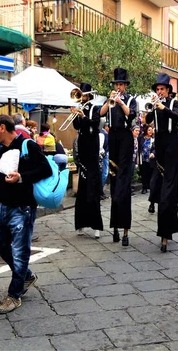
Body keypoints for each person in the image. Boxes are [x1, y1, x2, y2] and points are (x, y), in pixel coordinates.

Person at [0, 115, 52, 314]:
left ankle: (14, 295)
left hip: (22, 208)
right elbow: (0, 177)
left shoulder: (28, 145)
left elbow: (46, 169)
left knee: (20, 252)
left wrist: (22, 178)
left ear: (1, 127)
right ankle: (27, 275)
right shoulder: (2, 149)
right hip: (3, 206)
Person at [146, 73, 178, 252]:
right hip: (159, 146)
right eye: (157, 89)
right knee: (157, 186)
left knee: (168, 193)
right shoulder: (155, 104)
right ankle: (154, 203)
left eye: (162, 89)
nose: (159, 91)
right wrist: (151, 109)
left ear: (168, 90)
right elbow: (147, 121)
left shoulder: (173, 104)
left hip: (170, 146)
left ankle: (166, 231)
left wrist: (163, 107)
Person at [99, 68, 137, 246]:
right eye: (117, 85)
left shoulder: (130, 99)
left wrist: (121, 102)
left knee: (124, 183)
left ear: (126, 86)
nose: (119, 87)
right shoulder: (111, 99)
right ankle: (115, 227)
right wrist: (110, 99)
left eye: (121, 84)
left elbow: (131, 114)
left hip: (126, 137)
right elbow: (101, 113)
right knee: (114, 182)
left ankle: (125, 230)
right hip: (113, 137)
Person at [72, 83, 103, 239]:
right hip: (83, 145)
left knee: (92, 187)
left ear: (89, 95)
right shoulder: (79, 108)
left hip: (92, 147)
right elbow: (76, 126)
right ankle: (80, 224)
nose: (82, 97)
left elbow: (95, 124)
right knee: (82, 188)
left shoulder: (95, 109)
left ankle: (96, 225)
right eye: (80, 95)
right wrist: (77, 115)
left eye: (83, 95)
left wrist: (84, 116)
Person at [139, 125, 154, 196]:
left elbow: (156, 148)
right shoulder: (141, 138)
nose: (151, 132)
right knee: (143, 173)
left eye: (151, 130)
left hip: (151, 158)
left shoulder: (153, 139)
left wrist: (153, 153)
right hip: (143, 158)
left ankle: (150, 186)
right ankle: (144, 187)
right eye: (149, 130)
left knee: (150, 173)